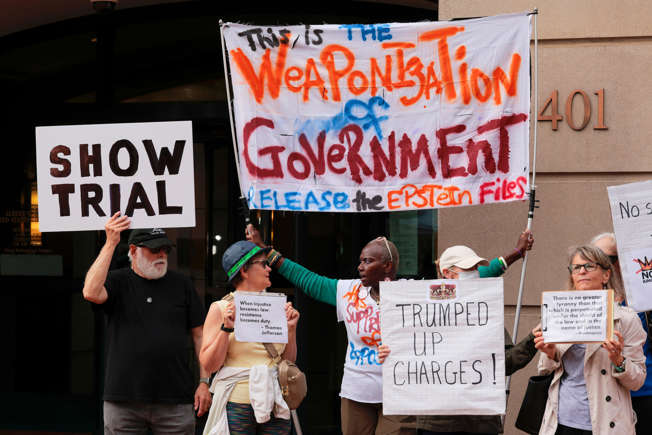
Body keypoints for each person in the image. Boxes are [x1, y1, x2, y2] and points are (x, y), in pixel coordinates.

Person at [246, 224, 398, 435]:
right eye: (360, 261)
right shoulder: (350, 291)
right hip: (357, 393)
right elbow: (309, 281)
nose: (360, 267)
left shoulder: (412, 294)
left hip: (398, 393)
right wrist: (267, 252)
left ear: (387, 266)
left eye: (368, 261)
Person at [379, 244, 540, 435]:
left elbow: (505, 363)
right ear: (447, 273)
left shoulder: (484, 313)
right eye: (469, 268)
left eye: (476, 268)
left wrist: (532, 340)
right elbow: (406, 358)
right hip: (437, 424)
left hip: (480, 422)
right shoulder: (421, 314)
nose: (475, 272)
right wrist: (389, 354)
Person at [82, 212, 211, 434]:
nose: (162, 254)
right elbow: (91, 292)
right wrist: (111, 243)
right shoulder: (117, 280)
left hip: (175, 399)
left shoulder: (182, 285)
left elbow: (200, 335)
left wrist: (204, 381)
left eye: (165, 249)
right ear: (133, 251)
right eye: (154, 249)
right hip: (123, 400)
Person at [534, 245, 647, 435]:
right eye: (576, 267)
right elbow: (544, 370)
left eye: (589, 266)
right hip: (561, 422)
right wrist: (550, 353)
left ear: (606, 275)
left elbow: (637, 381)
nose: (582, 271)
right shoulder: (558, 312)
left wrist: (619, 360)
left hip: (607, 424)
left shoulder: (626, 319)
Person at [200, 240, 299, 435]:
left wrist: (291, 330)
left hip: (276, 402)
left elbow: (288, 362)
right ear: (244, 270)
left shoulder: (277, 307)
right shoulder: (220, 308)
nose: (269, 268)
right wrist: (226, 329)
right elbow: (209, 365)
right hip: (238, 404)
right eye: (263, 264)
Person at [592, 232, 652, 435]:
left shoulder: (645, 295)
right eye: (595, 260)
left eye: (609, 259)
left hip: (645, 392)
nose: (602, 266)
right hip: (605, 396)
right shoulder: (584, 299)